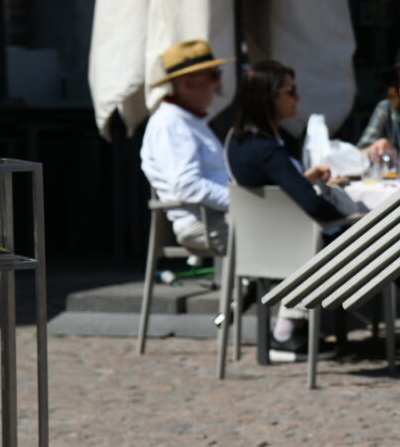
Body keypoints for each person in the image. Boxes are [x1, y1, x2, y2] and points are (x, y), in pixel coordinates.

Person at [228, 60, 352, 358]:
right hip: (291, 248)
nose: (297, 98)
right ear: (269, 98)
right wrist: (353, 220)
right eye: (291, 91)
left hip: (260, 242)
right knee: (382, 241)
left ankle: (289, 330)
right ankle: (287, 332)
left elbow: (271, 188)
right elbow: (311, 205)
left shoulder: (240, 140)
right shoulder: (268, 149)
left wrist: (301, 179)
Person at [140, 39, 235, 256]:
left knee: (291, 227)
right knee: (288, 233)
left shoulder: (187, 120)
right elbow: (187, 185)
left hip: (218, 216)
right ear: (186, 84)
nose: (218, 82)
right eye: (213, 75)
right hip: (203, 222)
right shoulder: (171, 123)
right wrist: (241, 202)